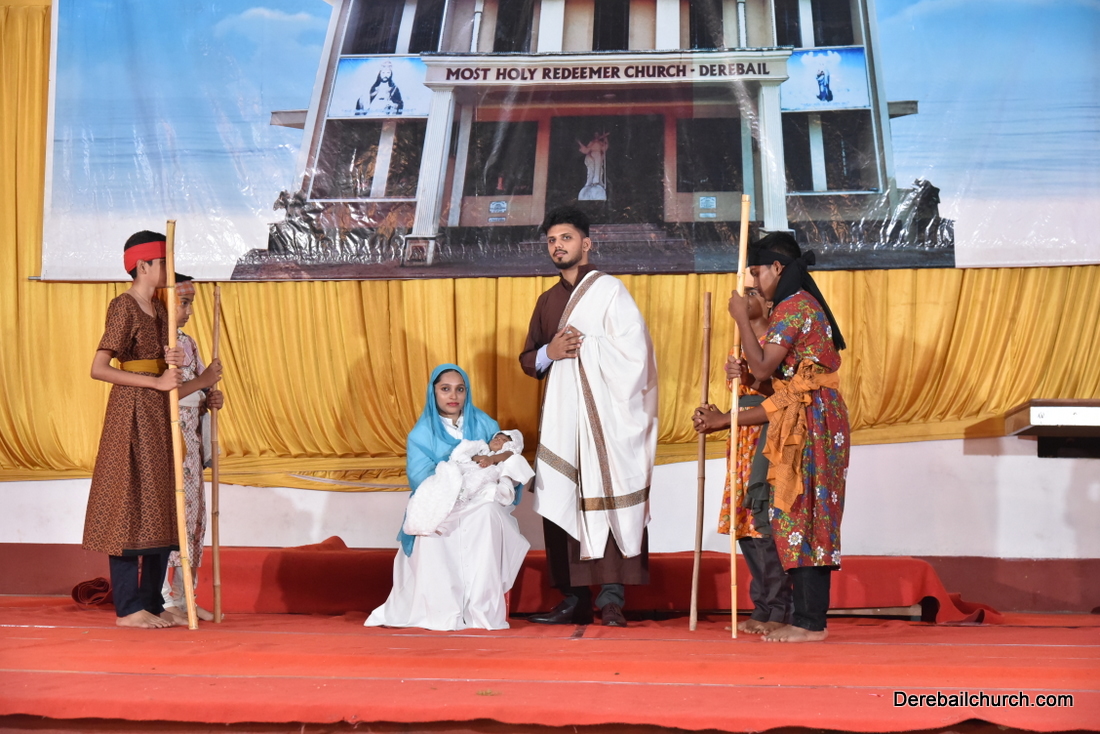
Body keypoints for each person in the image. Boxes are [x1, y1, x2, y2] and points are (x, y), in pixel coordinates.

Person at [519, 206, 658, 628]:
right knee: (563, 497)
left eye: (566, 238)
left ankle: (613, 599)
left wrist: (589, 350)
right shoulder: (547, 301)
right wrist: (551, 352)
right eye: (551, 240)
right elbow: (529, 360)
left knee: (606, 491)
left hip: (608, 421)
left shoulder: (611, 291)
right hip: (564, 421)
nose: (557, 246)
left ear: (586, 243)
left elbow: (637, 354)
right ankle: (573, 599)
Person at [727, 231, 849, 642]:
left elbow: (764, 367)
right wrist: (747, 376)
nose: (752, 281)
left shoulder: (794, 306)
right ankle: (802, 616)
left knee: (807, 513)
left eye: (756, 272)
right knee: (797, 513)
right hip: (803, 416)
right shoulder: (793, 305)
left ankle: (810, 622)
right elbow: (772, 380)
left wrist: (742, 319)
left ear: (777, 267)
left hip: (813, 420)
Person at [366, 365, 530, 631]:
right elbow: (420, 478)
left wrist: (492, 472)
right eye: (445, 389)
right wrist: (456, 476)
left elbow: (504, 459)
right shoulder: (421, 434)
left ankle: (480, 611)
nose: (453, 396)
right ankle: (441, 611)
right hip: (443, 500)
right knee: (433, 528)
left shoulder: (486, 424)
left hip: (479, 500)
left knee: (488, 513)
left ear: (467, 392)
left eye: (460, 389)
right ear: (434, 392)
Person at [82, 230, 186, 629]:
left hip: (158, 414)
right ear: (143, 265)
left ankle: (152, 601)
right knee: (128, 501)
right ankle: (127, 607)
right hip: (131, 411)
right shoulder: (123, 305)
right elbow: (99, 368)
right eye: (163, 263)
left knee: (160, 501)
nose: (168, 271)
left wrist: (172, 362)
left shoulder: (159, 309)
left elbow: (162, 367)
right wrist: (154, 381)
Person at [693, 286, 793, 635]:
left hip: (768, 439)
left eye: (752, 292)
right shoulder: (738, 347)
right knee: (745, 526)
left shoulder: (778, 344)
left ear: (768, 302)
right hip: (743, 441)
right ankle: (762, 607)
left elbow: (782, 400)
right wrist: (715, 416)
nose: (743, 296)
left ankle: (780, 608)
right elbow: (745, 397)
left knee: (764, 524)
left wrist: (726, 418)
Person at [160, 276, 223, 623]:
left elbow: (201, 388)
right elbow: (159, 394)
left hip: (192, 438)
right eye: (183, 303)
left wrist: (211, 397)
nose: (189, 311)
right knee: (171, 517)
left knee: (194, 517)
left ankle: (186, 595)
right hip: (168, 438)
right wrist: (202, 382)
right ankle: (163, 598)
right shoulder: (156, 342)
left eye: (191, 304)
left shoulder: (188, 342)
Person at [402, 430, 533, 537]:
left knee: (462, 494)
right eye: (497, 437)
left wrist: (491, 459)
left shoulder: (506, 454)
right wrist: (480, 458)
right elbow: (467, 457)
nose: (498, 440)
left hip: (482, 476)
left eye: (504, 440)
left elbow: (507, 455)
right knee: (437, 488)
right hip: (466, 473)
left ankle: (440, 524)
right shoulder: (482, 449)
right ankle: (426, 521)